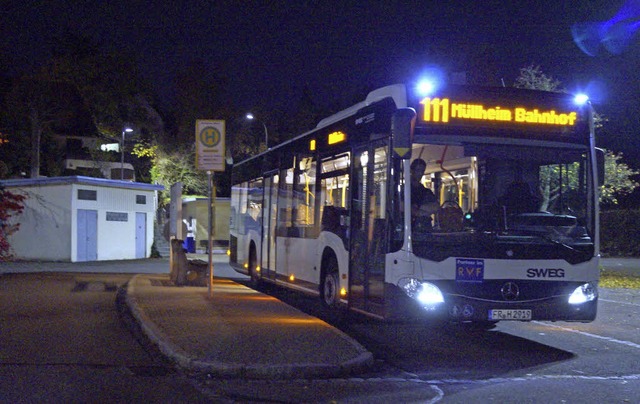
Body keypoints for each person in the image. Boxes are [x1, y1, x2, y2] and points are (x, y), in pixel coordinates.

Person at [410, 159, 439, 229]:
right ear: (411, 171)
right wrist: (424, 211)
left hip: (424, 228)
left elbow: (436, 207)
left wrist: (417, 208)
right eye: (418, 170)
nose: (420, 174)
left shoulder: (426, 191)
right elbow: (400, 206)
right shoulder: (403, 190)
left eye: (422, 171)